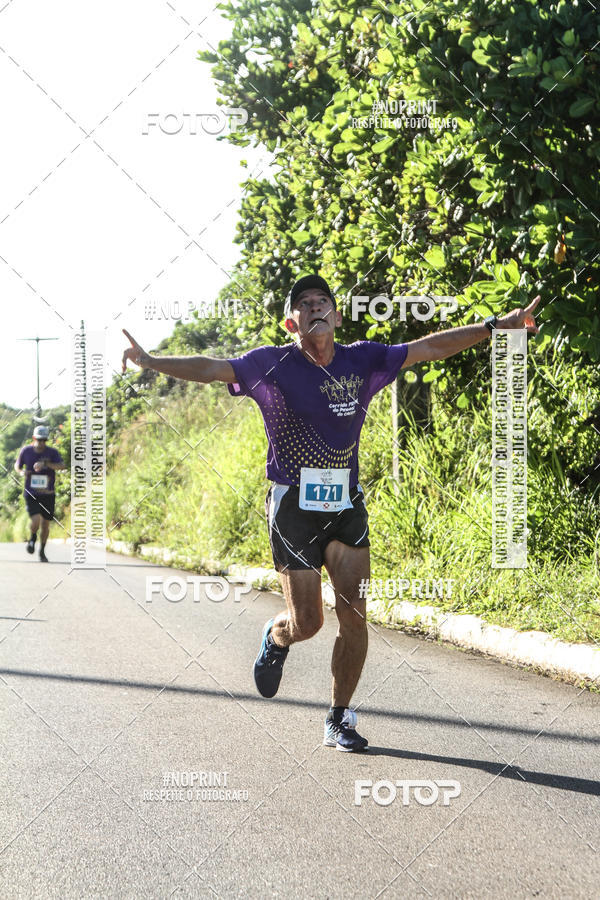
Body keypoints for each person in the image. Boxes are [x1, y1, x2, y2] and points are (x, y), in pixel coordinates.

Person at [122, 274, 539, 751]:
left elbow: (429, 347)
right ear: (290, 322)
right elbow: (213, 367)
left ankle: (339, 717)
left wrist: (494, 327)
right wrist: (152, 361)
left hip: (345, 503)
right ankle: (277, 639)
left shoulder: (362, 358)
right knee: (309, 623)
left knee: (355, 614)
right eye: (304, 303)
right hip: (293, 507)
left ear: (337, 316)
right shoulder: (270, 364)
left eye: (323, 301)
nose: (315, 306)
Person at [14, 425, 66, 563]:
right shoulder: (26, 451)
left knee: (45, 525)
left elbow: (62, 465)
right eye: (39, 439)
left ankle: (42, 551)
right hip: (31, 493)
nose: (42, 442)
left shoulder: (52, 452)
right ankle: (32, 537)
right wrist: (22, 472)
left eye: (44, 440)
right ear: (34, 438)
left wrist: (48, 464)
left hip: (48, 493)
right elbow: (17, 466)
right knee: (36, 520)